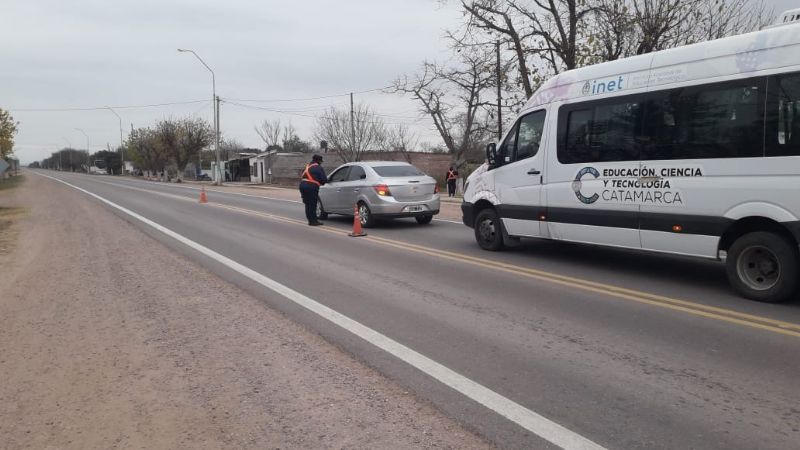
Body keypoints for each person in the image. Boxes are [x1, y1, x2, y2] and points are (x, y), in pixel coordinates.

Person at [299, 154, 327, 226]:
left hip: (302, 185)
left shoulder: (307, 166)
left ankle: (310, 220)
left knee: (307, 204)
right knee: (312, 204)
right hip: (311, 187)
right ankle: (313, 221)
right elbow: (324, 180)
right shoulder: (318, 167)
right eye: (321, 161)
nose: (321, 163)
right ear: (319, 161)